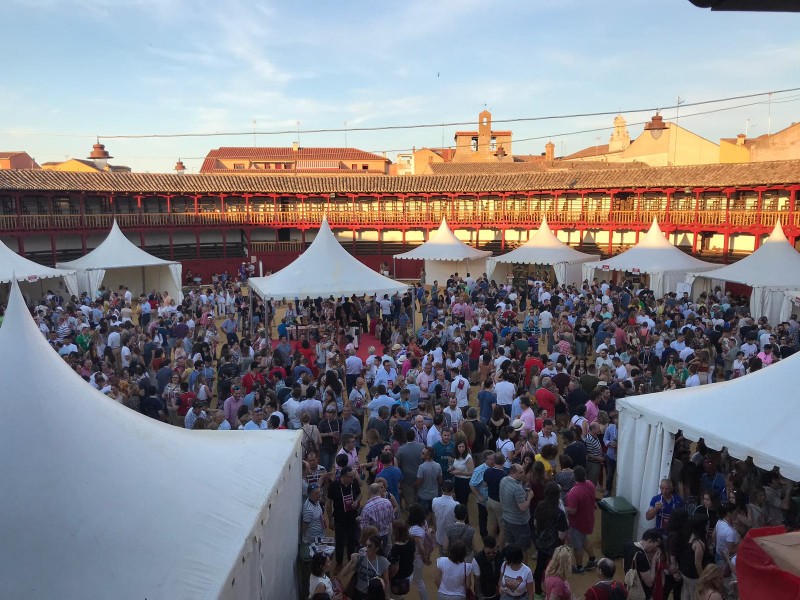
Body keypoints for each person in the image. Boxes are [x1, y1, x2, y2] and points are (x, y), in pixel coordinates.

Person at [533, 482, 569, 597]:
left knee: (539, 567)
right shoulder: (560, 513)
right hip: (555, 547)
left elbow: (535, 523)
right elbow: (562, 535)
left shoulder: (540, 506)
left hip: (541, 543)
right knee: (556, 569)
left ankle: (538, 591)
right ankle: (555, 590)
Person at [565, 466, 597, 573]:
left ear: (574, 477)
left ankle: (579, 567)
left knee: (577, 546)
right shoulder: (590, 484)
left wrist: (563, 508)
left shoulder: (574, 492)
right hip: (588, 518)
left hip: (577, 523)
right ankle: (593, 559)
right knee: (584, 539)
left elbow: (572, 511)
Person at [499, 464, 534, 559]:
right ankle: (523, 570)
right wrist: (529, 497)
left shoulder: (504, 480)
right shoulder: (517, 488)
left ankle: (508, 562)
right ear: (513, 473)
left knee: (509, 543)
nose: (523, 474)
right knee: (523, 548)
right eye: (521, 472)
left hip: (507, 518)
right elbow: (523, 507)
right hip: (519, 521)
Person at [329, 466, 361, 567]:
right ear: (343, 477)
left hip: (352, 516)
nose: (352, 478)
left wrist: (357, 501)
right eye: (350, 476)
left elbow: (360, 494)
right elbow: (328, 503)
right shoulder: (334, 485)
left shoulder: (354, 483)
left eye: (353, 476)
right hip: (339, 517)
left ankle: (351, 562)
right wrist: (330, 520)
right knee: (339, 541)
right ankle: (339, 563)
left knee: (352, 539)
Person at [341, 534, 390, 600]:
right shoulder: (361, 557)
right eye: (366, 545)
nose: (366, 548)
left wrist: (386, 597)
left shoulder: (383, 562)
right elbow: (343, 574)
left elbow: (386, 582)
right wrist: (351, 561)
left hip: (372, 595)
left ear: (376, 549)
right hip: (357, 593)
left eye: (369, 546)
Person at [623, 529, 663, 600]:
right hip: (642, 594)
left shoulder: (628, 545)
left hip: (629, 586)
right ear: (650, 541)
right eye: (656, 545)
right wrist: (653, 562)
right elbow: (649, 582)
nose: (656, 549)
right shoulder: (640, 556)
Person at [407, 504, 433, 600]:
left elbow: (421, 548)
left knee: (418, 581)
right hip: (420, 557)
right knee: (416, 577)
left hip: (417, 558)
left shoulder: (415, 530)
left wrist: (424, 559)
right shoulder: (424, 523)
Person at [387, 520, 416, 599]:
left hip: (399, 578)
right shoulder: (411, 541)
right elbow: (414, 556)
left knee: (395, 597)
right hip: (409, 574)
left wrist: (388, 578)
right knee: (400, 596)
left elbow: (395, 567)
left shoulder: (396, 548)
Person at [471, 534, 504, 600]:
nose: (491, 555)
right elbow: (477, 580)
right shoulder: (477, 560)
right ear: (484, 548)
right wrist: (479, 596)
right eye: (488, 553)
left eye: (494, 552)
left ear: (497, 548)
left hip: (498, 591)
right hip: (484, 593)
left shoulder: (501, 556)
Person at [433, 480, 459, 554]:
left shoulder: (435, 501)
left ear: (441, 489)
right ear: (453, 490)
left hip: (440, 535)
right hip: (452, 537)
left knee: (442, 557)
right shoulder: (456, 504)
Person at [416, 446, 443, 515]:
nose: (421, 454)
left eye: (423, 453)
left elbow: (419, 482)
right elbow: (440, 481)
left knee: (424, 516)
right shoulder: (438, 465)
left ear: (427, 456)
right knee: (434, 514)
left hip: (423, 496)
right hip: (434, 494)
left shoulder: (421, 467)